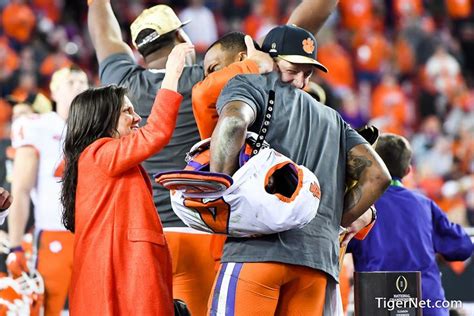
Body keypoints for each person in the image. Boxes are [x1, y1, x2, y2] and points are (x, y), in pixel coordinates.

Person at [87, 1, 338, 315]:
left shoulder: (123, 83)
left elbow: (105, 37)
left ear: (140, 51)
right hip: (200, 232)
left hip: (143, 236)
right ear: (181, 40)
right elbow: (294, 33)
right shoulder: (208, 79)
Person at [208, 25, 391, 315]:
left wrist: (218, 192)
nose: (301, 81)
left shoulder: (253, 84)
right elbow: (378, 176)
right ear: (271, 57)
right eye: (294, 69)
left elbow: (232, 123)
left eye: (307, 73)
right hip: (316, 265)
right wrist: (332, 221)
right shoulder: (334, 118)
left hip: (258, 252)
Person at [60, 43, 192, 315]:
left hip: (120, 276)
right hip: (123, 278)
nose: (137, 118)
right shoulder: (100, 153)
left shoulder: (101, 159)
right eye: (127, 112)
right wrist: (172, 75)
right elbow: (156, 133)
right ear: (104, 120)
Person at [347, 133, 473, 316]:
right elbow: (462, 247)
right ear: (408, 171)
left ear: (372, 166)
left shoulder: (360, 204)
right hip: (427, 307)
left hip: (377, 306)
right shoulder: (425, 205)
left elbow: (339, 243)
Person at [6, 66, 88, 315]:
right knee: (50, 308)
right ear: (53, 89)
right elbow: (19, 190)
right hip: (54, 234)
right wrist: (16, 244)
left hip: (93, 234)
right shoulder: (37, 126)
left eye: (83, 82)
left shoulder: (98, 128)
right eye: (71, 81)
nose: (78, 87)